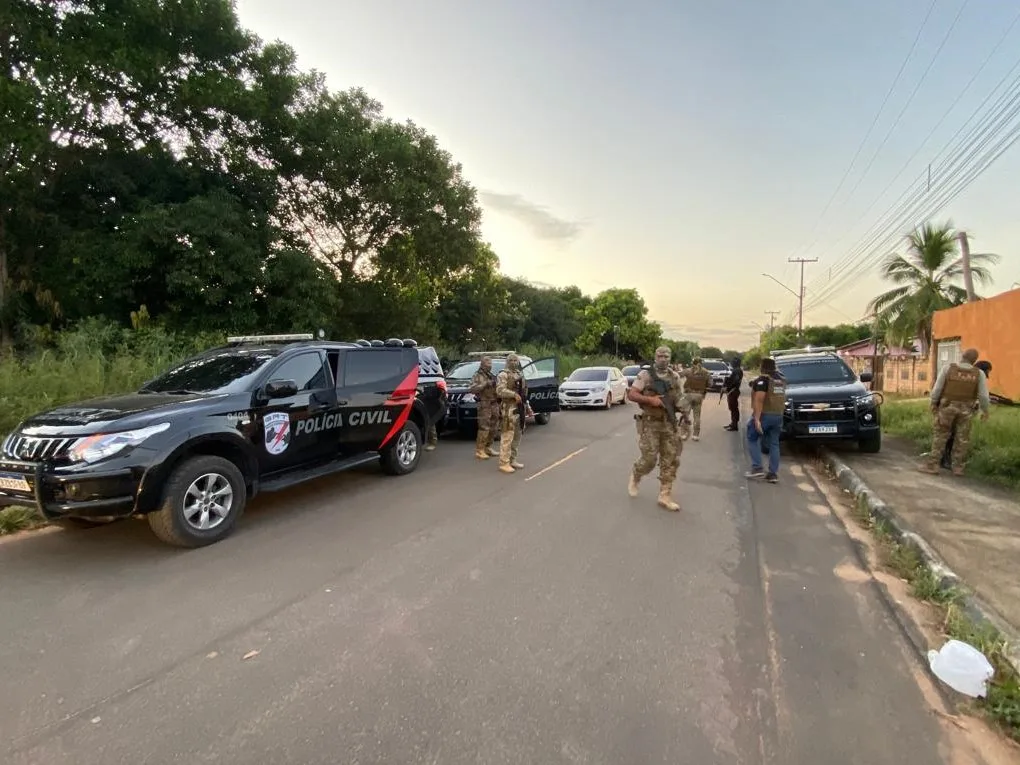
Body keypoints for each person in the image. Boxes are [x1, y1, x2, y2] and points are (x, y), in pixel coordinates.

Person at [627, 345, 683, 511]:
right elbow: (632, 394)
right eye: (660, 356)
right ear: (655, 357)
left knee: (671, 459)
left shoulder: (675, 377)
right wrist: (651, 401)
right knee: (649, 459)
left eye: (666, 356)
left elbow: (680, 398)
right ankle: (636, 475)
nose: (663, 359)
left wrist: (684, 410)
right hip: (651, 423)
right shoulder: (645, 375)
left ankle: (665, 495)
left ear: (670, 358)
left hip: (669, 423)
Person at [922, 348, 989, 476]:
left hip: (947, 408)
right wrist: (985, 411)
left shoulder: (948, 369)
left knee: (940, 436)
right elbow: (983, 396)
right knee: (962, 438)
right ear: (974, 360)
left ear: (962, 356)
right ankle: (958, 468)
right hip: (966, 410)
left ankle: (933, 465)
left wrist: (933, 403)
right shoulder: (978, 373)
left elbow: (937, 389)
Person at [940, 359, 991, 469]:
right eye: (986, 372)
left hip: (949, 408)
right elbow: (982, 396)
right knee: (953, 435)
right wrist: (984, 409)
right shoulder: (975, 376)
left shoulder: (963, 374)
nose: (986, 376)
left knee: (950, 434)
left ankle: (945, 459)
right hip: (957, 409)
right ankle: (946, 459)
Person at [745, 357, 785, 483]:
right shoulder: (781, 380)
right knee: (774, 443)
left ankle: (757, 468)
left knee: (752, 437)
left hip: (765, 415)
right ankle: (773, 474)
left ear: (762, 367)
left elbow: (759, 400)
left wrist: (756, 419)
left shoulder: (763, 381)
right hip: (778, 415)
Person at [495, 353, 528, 474]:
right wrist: (513, 394)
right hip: (508, 407)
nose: (514, 362)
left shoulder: (519, 374)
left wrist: (528, 406)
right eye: (511, 360)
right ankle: (504, 462)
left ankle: (512, 459)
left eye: (516, 360)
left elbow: (524, 393)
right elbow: (500, 390)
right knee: (507, 435)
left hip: (520, 407)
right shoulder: (503, 374)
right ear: (507, 361)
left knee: (517, 434)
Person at [468, 355, 499, 460]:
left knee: (494, 426)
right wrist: (485, 384)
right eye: (487, 364)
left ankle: (488, 447)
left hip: (494, 403)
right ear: (482, 364)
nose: (490, 366)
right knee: (484, 427)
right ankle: (480, 450)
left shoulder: (491, 375)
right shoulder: (478, 375)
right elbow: (471, 389)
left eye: (491, 364)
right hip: (484, 404)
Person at [678, 357, 711, 441]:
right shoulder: (706, 372)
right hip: (699, 395)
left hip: (688, 395)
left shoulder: (688, 371)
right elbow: (710, 384)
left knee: (685, 415)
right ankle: (695, 435)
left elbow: (678, 375)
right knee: (697, 416)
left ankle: (684, 434)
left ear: (693, 363)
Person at [722, 356, 744, 432]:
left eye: (732, 362)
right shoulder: (736, 370)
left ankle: (734, 425)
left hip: (733, 391)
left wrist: (727, 388)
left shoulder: (737, 370)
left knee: (734, 408)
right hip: (733, 390)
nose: (731, 363)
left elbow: (735, 381)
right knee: (732, 408)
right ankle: (733, 423)